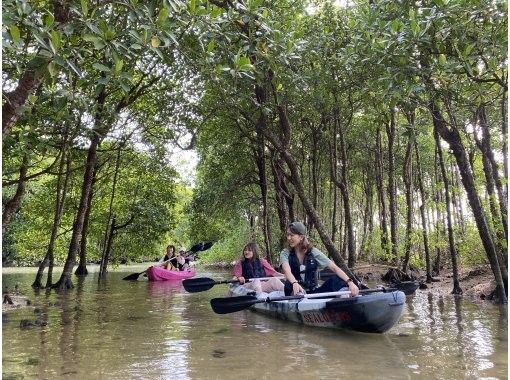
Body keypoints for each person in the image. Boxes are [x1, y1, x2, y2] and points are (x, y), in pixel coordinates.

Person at [280, 221, 359, 297]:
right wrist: (294, 283)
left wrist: (350, 282)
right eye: (288, 235)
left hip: (312, 292)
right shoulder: (285, 253)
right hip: (293, 290)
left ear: (301, 237)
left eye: (292, 235)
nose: (289, 238)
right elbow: (287, 270)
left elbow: (335, 268)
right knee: (289, 284)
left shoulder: (313, 252)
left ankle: (346, 294)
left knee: (337, 279)